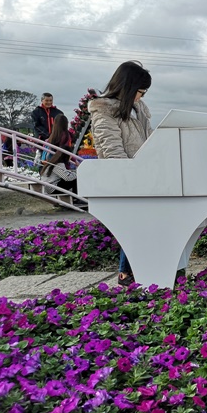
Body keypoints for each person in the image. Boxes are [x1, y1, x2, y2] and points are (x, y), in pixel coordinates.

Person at [88, 60, 153, 286]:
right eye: (140, 91)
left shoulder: (139, 109)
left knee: (143, 224)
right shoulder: (104, 111)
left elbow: (150, 140)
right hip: (124, 178)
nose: (141, 97)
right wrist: (130, 177)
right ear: (128, 87)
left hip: (144, 175)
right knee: (133, 226)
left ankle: (137, 270)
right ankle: (126, 272)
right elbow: (111, 150)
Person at [40, 114, 79, 196]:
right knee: (73, 179)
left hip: (51, 162)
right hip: (59, 163)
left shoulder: (51, 137)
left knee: (67, 177)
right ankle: (77, 198)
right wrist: (76, 163)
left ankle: (75, 197)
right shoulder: (66, 135)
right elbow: (65, 150)